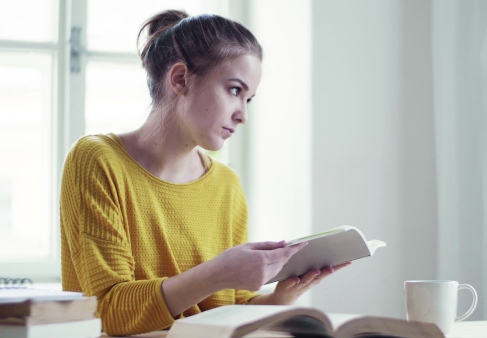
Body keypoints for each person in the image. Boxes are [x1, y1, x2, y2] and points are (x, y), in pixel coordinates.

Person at [60, 10, 348, 336]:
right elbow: (109, 311)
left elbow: (230, 310)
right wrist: (216, 273)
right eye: (235, 90)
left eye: (249, 99)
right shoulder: (97, 160)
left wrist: (281, 297)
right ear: (180, 78)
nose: (243, 116)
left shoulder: (227, 185)